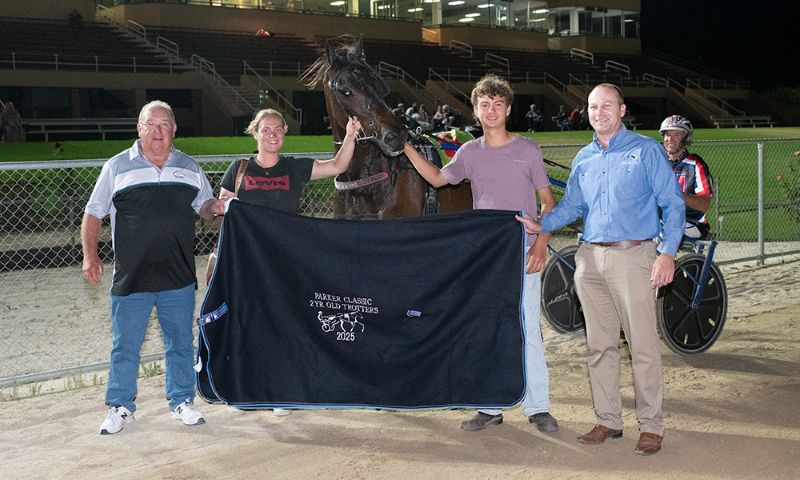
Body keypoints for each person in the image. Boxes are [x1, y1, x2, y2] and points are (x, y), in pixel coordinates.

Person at [516, 83, 684, 456]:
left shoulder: (646, 151)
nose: (599, 112)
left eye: (607, 105)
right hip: (589, 260)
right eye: (593, 107)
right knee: (599, 346)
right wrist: (541, 225)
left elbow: (672, 205)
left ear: (622, 110)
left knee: (641, 346)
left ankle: (651, 426)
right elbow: (573, 205)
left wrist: (668, 253)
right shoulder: (584, 158)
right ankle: (609, 420)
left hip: (635, 257)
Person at [402, 74, 560, 434]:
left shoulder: (527, 150)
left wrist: (540, 243)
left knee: (526, 328)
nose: (491, 110)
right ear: (475, 110)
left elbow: (548, 203)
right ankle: (489, 406)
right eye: (484, 105)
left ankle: (539, 407)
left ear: (508, 110)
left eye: (498, 104)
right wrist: (407, 148)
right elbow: (439, 180)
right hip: (484, 254)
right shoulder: (469, 152)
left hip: (520, 250)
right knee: (484, 326)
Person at [81, 101, 227, 435]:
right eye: (151, 125)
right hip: (132, 277)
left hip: (178, 275)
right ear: (139, 128)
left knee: (180, 343)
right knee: (125, 345)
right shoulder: (117, 166)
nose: (158, 131)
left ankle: (181, 401)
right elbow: (93, 213)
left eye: (164, 125)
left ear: (174, 129)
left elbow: (202, 206)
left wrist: (213, 207)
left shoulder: (189, 167)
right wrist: (90, 255)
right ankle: (121, 406)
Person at [216, 108, 360, 416]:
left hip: (285, 259)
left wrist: (349, 135)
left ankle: (280, 391)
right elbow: (222, 207)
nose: (272, 134)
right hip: (248, 260)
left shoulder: (293, 168)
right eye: (265, 129)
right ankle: (247, 388)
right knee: (247, 322)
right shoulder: (240, 168)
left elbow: (337, 165)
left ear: (284, 134)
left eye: (278, 129)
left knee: (283, 324)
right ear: (254, 132)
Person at [660, 115, 714, 239]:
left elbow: (704, 204)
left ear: (686, 138)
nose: (670, 139)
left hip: (691, 222)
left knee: (660, 231)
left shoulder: (695, 164)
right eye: (667, 135)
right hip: (661, 219)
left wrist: (676, 194)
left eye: (676, 135)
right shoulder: (658, 162)